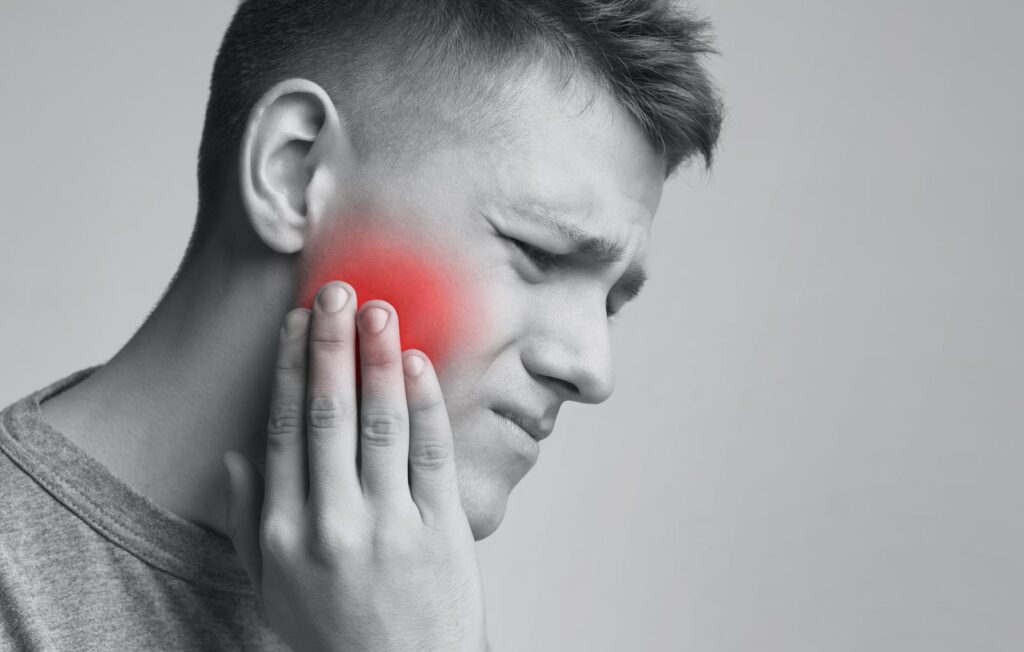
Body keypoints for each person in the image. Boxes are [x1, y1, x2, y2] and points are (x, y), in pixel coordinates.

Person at [0, 0, 723, 649]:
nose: (593, 368)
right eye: (539, 253)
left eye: (611, 303)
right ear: (293, 171)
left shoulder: (406, 601)